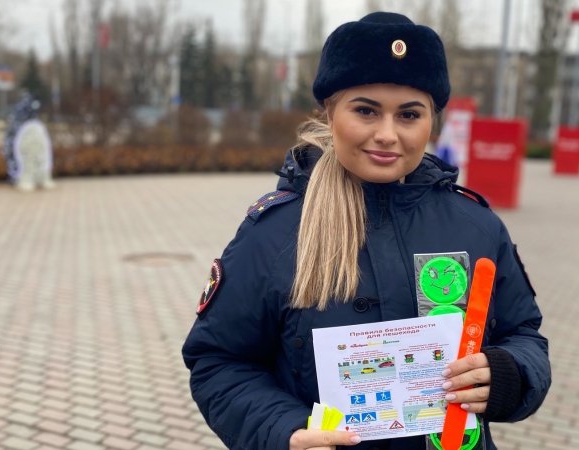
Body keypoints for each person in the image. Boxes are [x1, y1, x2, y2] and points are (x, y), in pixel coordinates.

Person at [182, 12, 551, 450]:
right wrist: (285, 432)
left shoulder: (476, 227)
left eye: (409, 114)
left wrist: (509, 374)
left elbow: (524, 333)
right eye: (365, 111)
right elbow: (219, 362)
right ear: (329, 111)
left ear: (431, 121)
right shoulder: (273, 234)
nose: (387, 134)